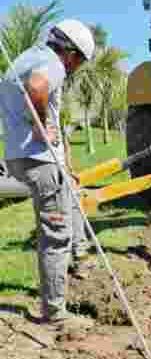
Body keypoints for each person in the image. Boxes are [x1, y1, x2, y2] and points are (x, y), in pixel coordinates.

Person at [0, 19, 96, 325]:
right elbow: (37, 89)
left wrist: (67, 166)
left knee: (69, 199)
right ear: (70, 53)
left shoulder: (27, 57)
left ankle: (79, 256)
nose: (75, 69)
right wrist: (39, 124)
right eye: (78, 62)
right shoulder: (52, 64)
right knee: (55, 235)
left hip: (18, 155)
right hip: (38, 159)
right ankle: (55, 314)